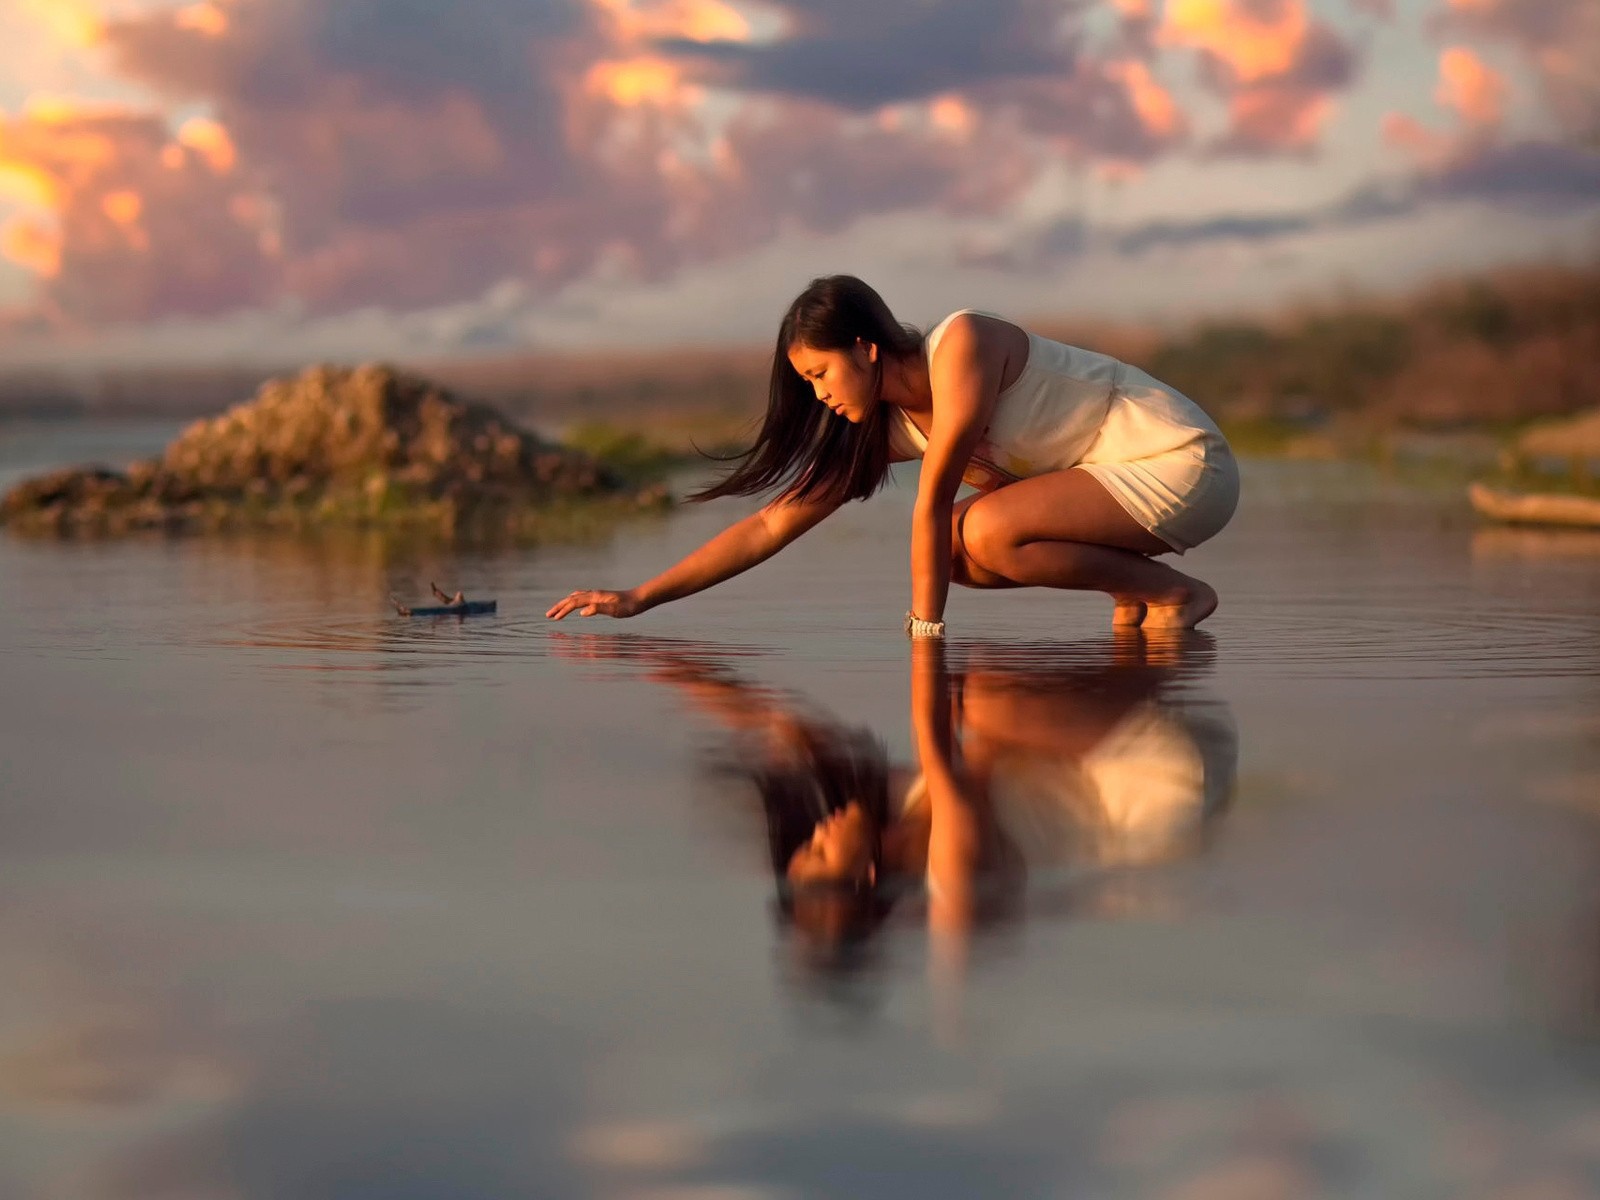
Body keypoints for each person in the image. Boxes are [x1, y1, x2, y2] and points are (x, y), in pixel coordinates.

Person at [546, 275, 1239, 633]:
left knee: (974, 530)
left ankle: (1175, 593)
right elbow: (771, 524)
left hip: (1181, 463)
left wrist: (925, 636)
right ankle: (1137, 596)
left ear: (864, 349)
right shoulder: (894, 428)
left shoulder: (962, 345)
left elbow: (934, 504)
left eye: (819, 376)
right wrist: (640, 598)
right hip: (1115, 488)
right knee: (962, 558)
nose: (817, 396)